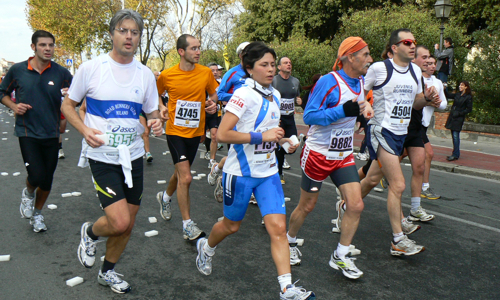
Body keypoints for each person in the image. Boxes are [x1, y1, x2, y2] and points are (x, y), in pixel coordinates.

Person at [195, 42, 315, 300]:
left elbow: (273, 131)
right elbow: (225, 134)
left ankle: (287, 289)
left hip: (269, 172)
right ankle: (206, 246)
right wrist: (263, 135)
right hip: (240, 174)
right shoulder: (243, 95)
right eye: (264, 65)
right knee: (231, 226)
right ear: (249, 69)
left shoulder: (274, 95)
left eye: (273, 64)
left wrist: (284, 142)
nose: (271, 69)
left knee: (278, 229)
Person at [61, 9, 163, 293]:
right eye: (123, 30)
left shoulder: (145, 75)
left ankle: (108, 272)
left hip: (133, 156)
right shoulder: (91, 68)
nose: (129, 36)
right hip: (102, 156)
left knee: (127, 224)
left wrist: (155, 121)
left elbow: (151, 110)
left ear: (139, 38)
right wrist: (84, 130)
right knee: (118, 222)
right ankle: (90, 232)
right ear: (112, 34)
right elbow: (67, 106)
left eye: (135, 32)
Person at [287, 37, 372, 279]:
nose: (370, 59)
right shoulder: (328, 81)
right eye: (365, 54)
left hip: (343, 154)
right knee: (307, 206)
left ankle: (340, 256)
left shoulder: (361, 80)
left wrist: (364, 113)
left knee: (356, 204)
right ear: (350, 57)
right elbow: (310, 116)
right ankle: (289, 240)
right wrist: (343, 111)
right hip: (318, 154)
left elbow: (359, 103)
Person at [359, 28, 439, 256]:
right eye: (407, 42)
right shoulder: (379, 68)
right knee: (398, 184)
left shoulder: (415, 70)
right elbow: (359, 92)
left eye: (414, 42)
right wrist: (366, 106)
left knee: (373, 178)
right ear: (394, 48)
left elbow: (414, 102)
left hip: (401, 133)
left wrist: (427, 98)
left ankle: (346, 205)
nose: (412, 45)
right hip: (381, 130)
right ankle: (398, 240)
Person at [0, 30, 72, 232]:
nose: (48, 49)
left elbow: (77, 95)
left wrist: (66, 109)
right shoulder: (18, 70)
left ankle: (38, 215)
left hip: (51, 132)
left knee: (47, 180)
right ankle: (28, 193)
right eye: (43, 45)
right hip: (27, 132)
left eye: (51, 45)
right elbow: (2, 92)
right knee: (37, 175)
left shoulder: (61, 73)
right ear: (33, 47)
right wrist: (14, 106)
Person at [156, 34, 218, 240]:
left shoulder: (206, 73)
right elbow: (155, 93)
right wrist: (162, 106)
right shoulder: (167, 74)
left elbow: (214, 94)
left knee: (180, 174)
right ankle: (187, 225)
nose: (198, 51)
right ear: (181, 52)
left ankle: (165, 197)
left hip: (195, 132)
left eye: (199, 47)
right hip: (175, 132)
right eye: (193, 48)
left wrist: (212, 103)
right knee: (187, 177)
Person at [400, 45, 441, 225]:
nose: (427, 61)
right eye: (424, 58)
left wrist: (429, 99)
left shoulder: (420, 78)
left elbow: (417, 104)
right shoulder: (400, 75)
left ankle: (415, 209)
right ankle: (349, 200)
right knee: (374, 174)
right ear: (413, 58)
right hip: (397, 128)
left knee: (419, 167)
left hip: (415, 128)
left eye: (429, 58)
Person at [421, 55, 447, 199]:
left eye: (433, 63)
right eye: (428, 63)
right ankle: (425, 186)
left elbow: (444, 103)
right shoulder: (417, 79)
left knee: (404, 153)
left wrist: (437, 103)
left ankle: (382, 172)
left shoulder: (437, 82)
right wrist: (427, 102)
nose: (431, 66)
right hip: (413, 123)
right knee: (429, 154)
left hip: (424, 125)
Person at [272, 57, 301, 183]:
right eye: (285, 63)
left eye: (290, 62)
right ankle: (279, 173)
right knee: (280, 144)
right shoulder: (274, 80)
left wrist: (299, 101)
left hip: (290, 118)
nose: (289, 64)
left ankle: (280, 160)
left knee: (292, 144)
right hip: (279, 119)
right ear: (279, 67)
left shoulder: (295, 81)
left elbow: (297, 98)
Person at [444, 81, 473, 161]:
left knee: (456, 135)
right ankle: (455, 153)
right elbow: (449, 95)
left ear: (466, 87)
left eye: (462, 85)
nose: (460, 86)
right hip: (453, 117)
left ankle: (456, 154)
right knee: (453, 136)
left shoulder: (468, 97)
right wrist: (444, 89)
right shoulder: (457, 94)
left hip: (458, 118)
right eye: (460, 85)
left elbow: (469, 109)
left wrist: (459, 113)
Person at [203, 62, 222, 168]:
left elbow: (222, 96)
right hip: (202, 112)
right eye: (212, 70)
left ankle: (212, 159)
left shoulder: (220, 84)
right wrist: (204, 103)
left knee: (214, 136)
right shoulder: (202, 82)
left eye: (216, 70)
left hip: (215, 112)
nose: (215, 72)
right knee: (199, 137)